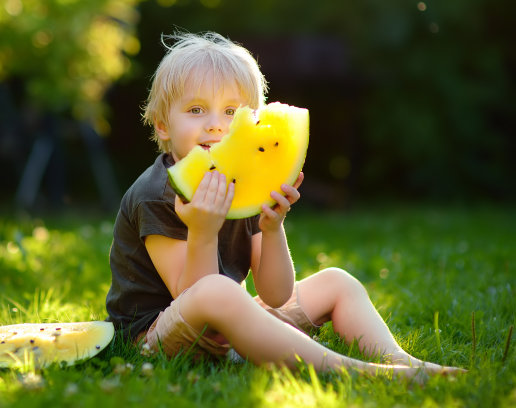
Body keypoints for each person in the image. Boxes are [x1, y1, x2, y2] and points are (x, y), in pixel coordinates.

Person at [105, 31, 464, 380]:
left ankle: (399, 359)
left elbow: (274, 295)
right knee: (219, 290)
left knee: (338, 282)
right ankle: (360, 372)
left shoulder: (244, 182)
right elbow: (194, 300)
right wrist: (203, 230)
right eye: (196, 109)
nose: (215, 126)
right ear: (163, 125)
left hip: (228, 322)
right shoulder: (155, 194)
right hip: (155, 338)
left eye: (232, 112)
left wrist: (272, 228)